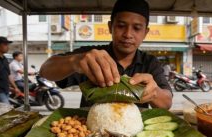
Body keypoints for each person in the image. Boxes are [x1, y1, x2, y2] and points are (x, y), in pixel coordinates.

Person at [40, 0, 172, 109]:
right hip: (91, 135)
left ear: (145, 32)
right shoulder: (90, 55)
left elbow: (167, 103)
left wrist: (155, 93)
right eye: (121, 26)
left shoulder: (150, 62)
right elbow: (45, 71)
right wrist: (75, 61)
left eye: (137, 28)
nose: (127, 34)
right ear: (110, 27)